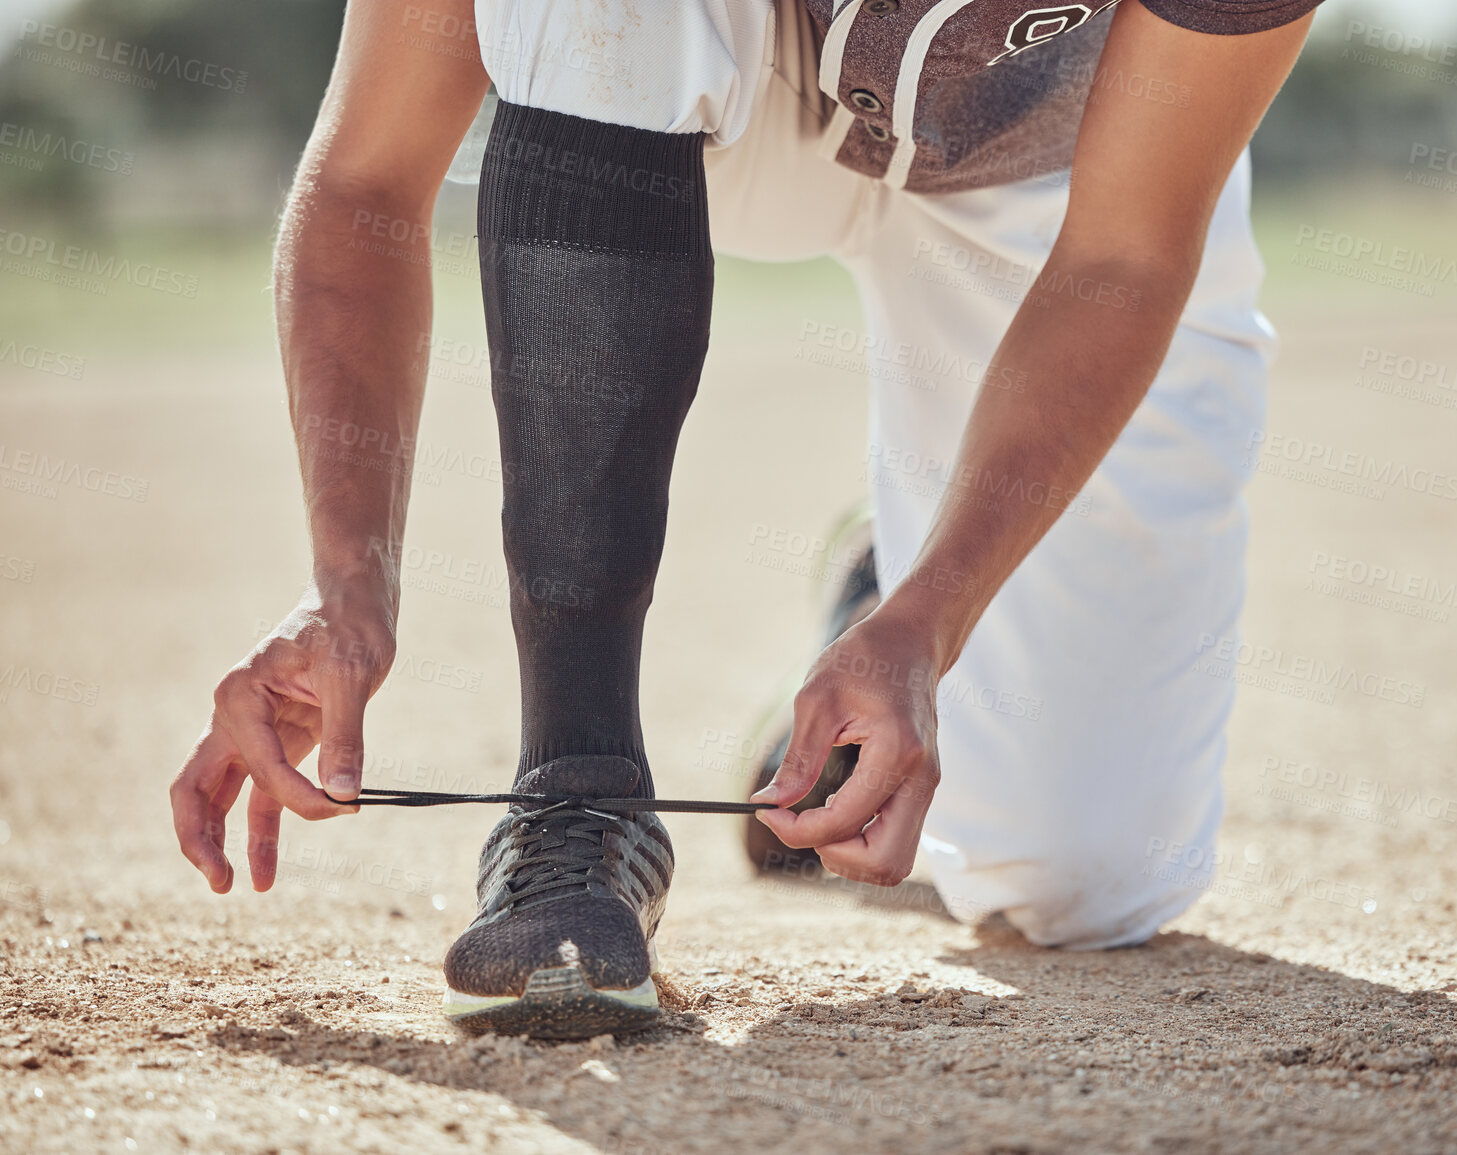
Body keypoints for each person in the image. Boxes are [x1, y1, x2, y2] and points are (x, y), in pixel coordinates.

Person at [169, 0, 1319, 1038]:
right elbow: (368, 178)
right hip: (723, 84)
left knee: (1085, 875)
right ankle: (577, 796)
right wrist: (347, 580)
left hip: (1056, 172)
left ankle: (887, 587)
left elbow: (1124, 254)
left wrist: (930, 618)